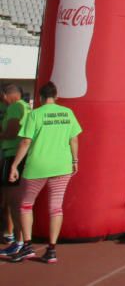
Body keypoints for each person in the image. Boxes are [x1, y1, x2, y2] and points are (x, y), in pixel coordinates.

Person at [6, 81, 81, 264]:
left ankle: (27, 246)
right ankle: (52, 249)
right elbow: (74, 139)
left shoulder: (35, 114)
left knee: (26, 204)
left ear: (39, 97)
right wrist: (75, 160)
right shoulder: (68, 113)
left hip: (37, 166)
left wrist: (15, 165)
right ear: (56, 96)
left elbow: (25, 142)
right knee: (56, 207)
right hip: (62, 166)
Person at [0, 85, 28, 256]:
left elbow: (11, 132)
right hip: (16, 155)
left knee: (13, 201)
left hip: (13, 155)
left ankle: (20, 241)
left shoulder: (16, 107)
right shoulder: (24, 106)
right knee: (14, 201)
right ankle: (18, 239)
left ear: (6, 95)